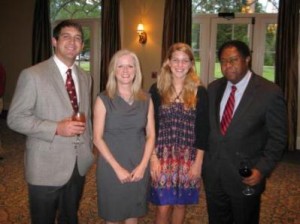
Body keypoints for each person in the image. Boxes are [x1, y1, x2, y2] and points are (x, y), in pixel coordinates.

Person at [7, 20, 94, 224]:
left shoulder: (85, 77)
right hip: (45, 166)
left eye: (78, 38)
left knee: (70, 217)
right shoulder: (33, 75)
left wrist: (88, 149)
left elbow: (86, 115)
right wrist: (56, 128)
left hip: (77, 165)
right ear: (54, 41)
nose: (72, 42)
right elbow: (15, 118)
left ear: (82, 45)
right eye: (66, 36)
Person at [202, 40, 287, 224]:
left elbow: (278, 138)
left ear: (247, 59)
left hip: (245, 176)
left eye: (234, 60)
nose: (228, 66)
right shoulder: (213, 88)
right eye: (223, 61)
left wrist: (262, 169)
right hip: (214, 174)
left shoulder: (269, 92)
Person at [149, 42, 209, 224]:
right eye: (176, 60)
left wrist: (198, 164)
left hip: (188, 156)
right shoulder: (156, 90)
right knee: (163, 204)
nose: (180, 65)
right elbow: (150, 126)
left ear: (191, 64)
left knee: (181, 204)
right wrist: (153, 157)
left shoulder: (200, 92)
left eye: (185, 61)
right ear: (168, 62)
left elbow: (203, 130)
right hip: (162, 155)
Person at [93, 49, 155, 224]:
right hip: (111, 165)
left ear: (136, 70)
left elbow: (151, 135)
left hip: (138, 164)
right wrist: (117, 168)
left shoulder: (146, 99)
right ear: (113, 70)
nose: (126, 70)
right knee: (112, 215)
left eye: (130, 66)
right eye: (120, 66)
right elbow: (97, 138)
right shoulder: (103, 99)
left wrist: (143, 166)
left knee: (132, 213)